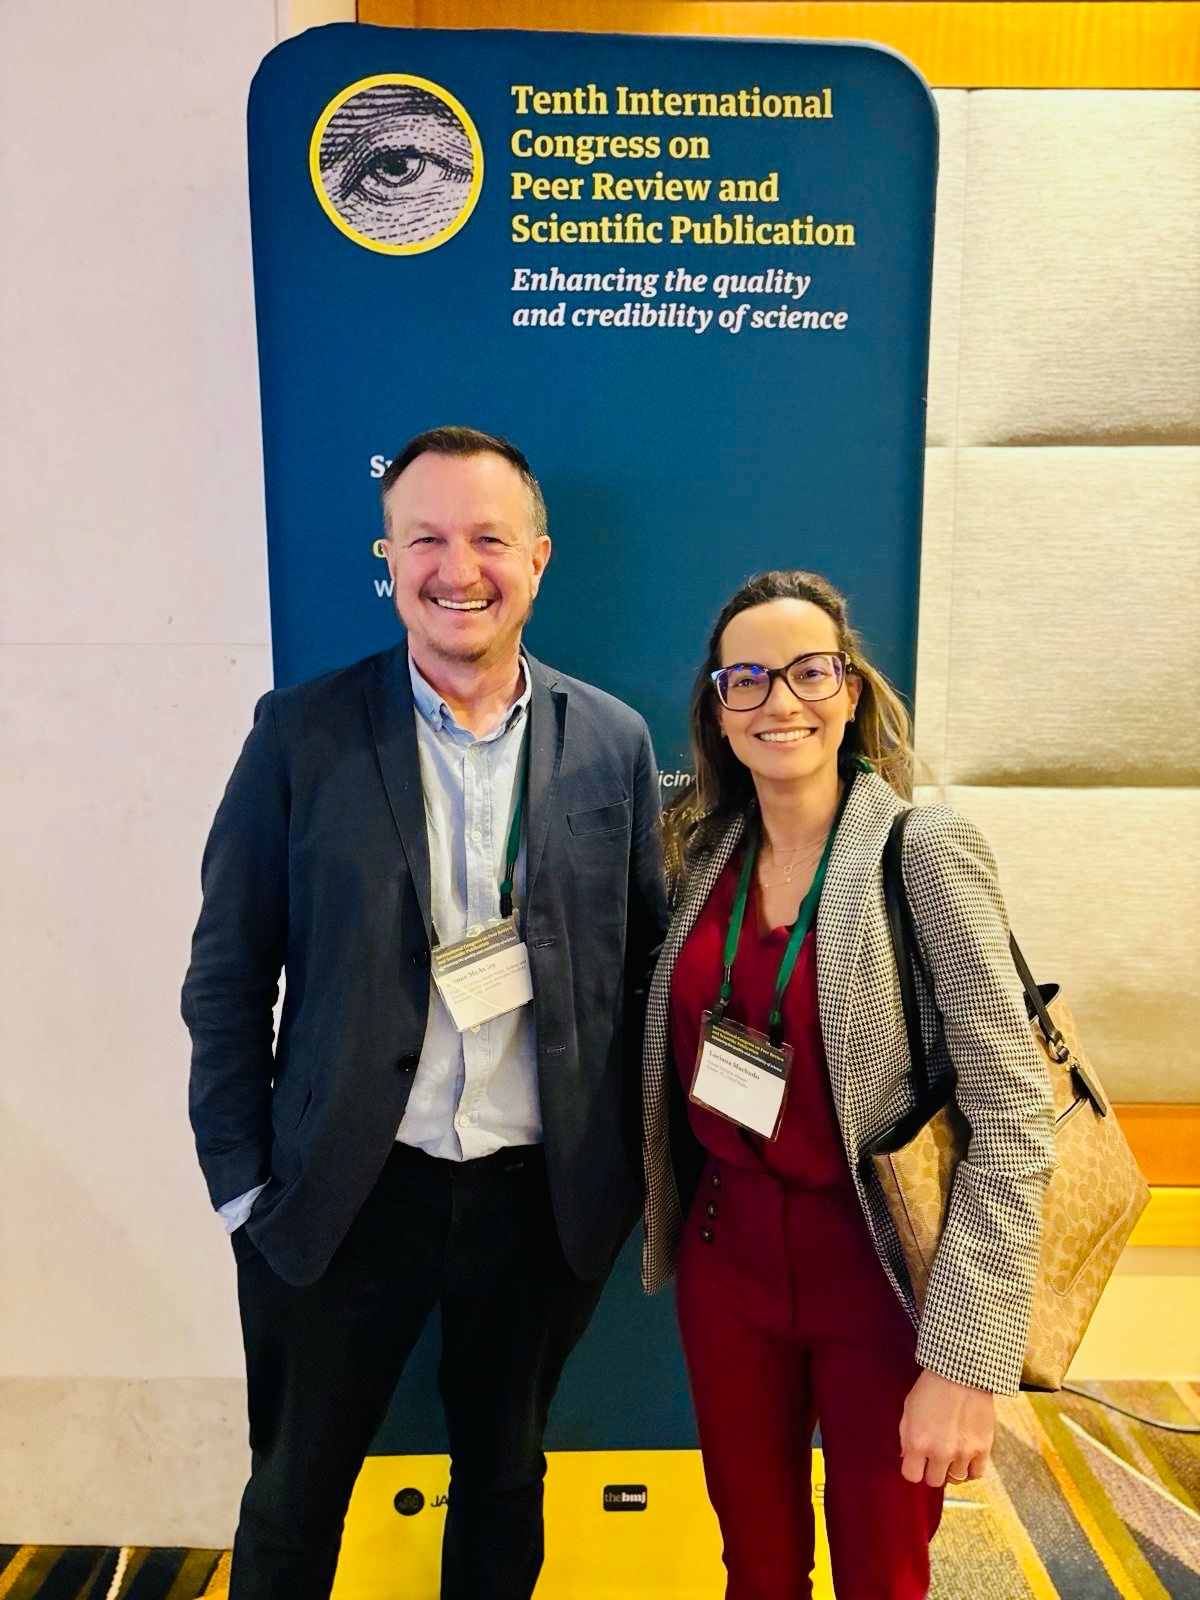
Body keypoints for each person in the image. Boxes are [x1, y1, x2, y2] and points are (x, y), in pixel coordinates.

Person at [182, 425, 668, 1600]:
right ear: (389, 559)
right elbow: (229, 970)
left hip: (537, 1204)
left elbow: (646, 967)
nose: (459, 568)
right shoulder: (300, 732)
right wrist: (243, 1185)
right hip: (344, 1196)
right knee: (293, 1501)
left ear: (538, 558)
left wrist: (625, 1175)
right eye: (426, 539)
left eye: (489, 538)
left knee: (503, 1488)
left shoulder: (612, 740)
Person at [642, 570, 1055, 1599]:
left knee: (882, 1572)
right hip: (726, 1261)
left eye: (809, 671)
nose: (780, 701)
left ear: (851, 689)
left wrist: (966, 1358)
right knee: (757, 1567)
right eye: (747, 679)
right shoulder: (700, 853)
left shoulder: (923, 852)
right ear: (719, 711)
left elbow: (1013, 1114)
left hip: (879, 1274)